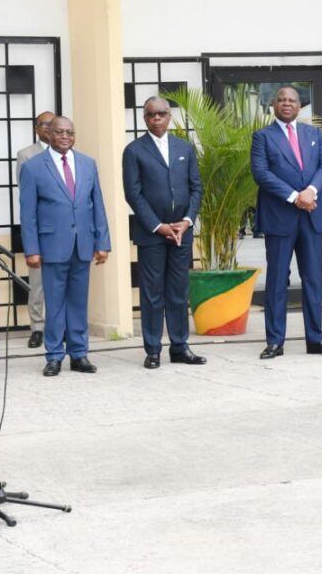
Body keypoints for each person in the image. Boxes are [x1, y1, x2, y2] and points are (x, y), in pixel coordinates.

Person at [250, 86, 322, 359]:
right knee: (278, 281)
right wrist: (294, 197)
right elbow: (261, 173)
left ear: (300, 106)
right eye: (281, 100)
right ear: (273, 106)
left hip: (312, 216)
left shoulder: (313, 134)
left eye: (292, 100)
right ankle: (275, 342)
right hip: (280, 217)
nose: (287, 104)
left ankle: (315, 339)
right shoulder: (262, 137)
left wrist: (311, 192)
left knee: (313, 280)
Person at [20, 115, 111, 376]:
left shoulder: (87, 164)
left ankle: (79, 354)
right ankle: (54, 355)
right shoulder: (34, 167)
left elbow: (98, 206)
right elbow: (28, 213)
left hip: (82, 244)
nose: (64, 137)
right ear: (47, 133)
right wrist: (32, 249)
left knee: (78, 303)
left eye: (69, 132)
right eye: (58, 132)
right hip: (51, 247)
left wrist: (102, 242)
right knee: (55, 303)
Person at [122, 96, 206, 369]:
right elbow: (133, 194)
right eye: (150, 114)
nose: (156, 118)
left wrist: (187, 220)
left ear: (169, 116)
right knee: (152, 293)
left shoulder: (185, 147)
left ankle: (180, 346)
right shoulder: (134, 150)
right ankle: (153, 349)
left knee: (179, 292)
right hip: (152, 234)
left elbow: (196, 188)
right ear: (144, 118)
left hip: (182, 232)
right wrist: (159, 226)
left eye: (161, 113)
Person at [15, 111, 55, 348]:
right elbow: (26, 194)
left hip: (62, 228)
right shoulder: (26, 155)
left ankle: (59, 326)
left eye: (54, 124)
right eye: (45, 125)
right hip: (39, 227)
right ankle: (37, 327)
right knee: (37, 281)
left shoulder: (66, 152)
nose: (50, 129)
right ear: (37, 128)